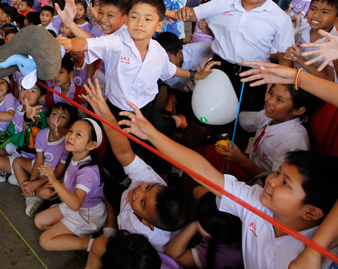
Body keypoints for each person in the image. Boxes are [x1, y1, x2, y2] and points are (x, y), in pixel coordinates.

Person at [119, 102, 338, 269]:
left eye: (285, 183)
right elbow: (204, 172)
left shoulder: (320, 253)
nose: (270, 180)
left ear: (311, 212)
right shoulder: (257, 201)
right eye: (279, 173)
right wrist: (152, 135)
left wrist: (313, 253)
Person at [60, 0, 217, 175]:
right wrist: (71, 41)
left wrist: (195, 74)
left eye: (148, 19)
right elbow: (88, 43)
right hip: (118, 112)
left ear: (159, 25)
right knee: (117, 160)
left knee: (161, 158)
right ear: (127, 19)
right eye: (134, 17)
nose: (140, 23)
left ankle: (170, 139)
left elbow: (170, 69)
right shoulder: (116, 41)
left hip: (147, 111)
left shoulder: (157, 51)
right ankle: (119, 184)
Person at [80, 78, 190, 267]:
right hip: (120, 211)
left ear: (147, 223)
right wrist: (107, 115)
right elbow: (124, 152)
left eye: (143, 202)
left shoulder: (145, 244)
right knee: (108, 183)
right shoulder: (148, 181)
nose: (138, 191)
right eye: (148, 187)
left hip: (122, 233)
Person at [175, 0, 294, 113]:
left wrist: (278, 90)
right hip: (219, 67)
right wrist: (178, 12)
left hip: (254, 77)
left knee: (243, 126)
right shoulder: (224, 4)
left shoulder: (280, 19)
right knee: (203, 121)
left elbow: (285, 61)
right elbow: (190, 14)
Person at [211, 84, 313, 182]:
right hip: (251, 166)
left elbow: (276, 180)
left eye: (280, 100)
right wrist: (217, 112)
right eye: (271, 93)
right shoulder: (269, 116)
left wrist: (240, 159)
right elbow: (240, 119)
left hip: (262, 182)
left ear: (298, 111)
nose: (269, 101)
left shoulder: (293, 139)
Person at [34, 118, 107, 252]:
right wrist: (61, 185)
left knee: (45, 241)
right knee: (39, 221)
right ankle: (74, 234)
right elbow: (70, 181)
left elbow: (76, 204)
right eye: (71, 131)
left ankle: (93, 244)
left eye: (78, 134)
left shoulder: (88, 171)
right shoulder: (74, 156)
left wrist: (55, 183)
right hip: (73, 206)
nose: (71, 136)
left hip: (88, 214)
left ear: (91, 145)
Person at [11, 102, 78, 217]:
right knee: (17, 162)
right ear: (47, 119)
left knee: (45, 193)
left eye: (63, 117)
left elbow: (58, 173)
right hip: (41, 167)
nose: (56, 118)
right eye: (54, 114)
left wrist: (37, 183)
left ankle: (27, 188)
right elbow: (38, 161)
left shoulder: (66, 143)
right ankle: (30, 194)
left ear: (69, 126)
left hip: (52, 176)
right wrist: (32, 182)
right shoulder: (42, 134)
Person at [0, 82, 47, 183]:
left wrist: (27, 118)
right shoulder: (19, 109)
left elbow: (31, 140)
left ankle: (6, 171)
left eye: (33, 91)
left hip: (30, 158)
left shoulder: (38, 114)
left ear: (41, 98)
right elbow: (9, 132)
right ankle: (11, 170)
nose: (27, 93)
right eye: (24, 89)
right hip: (17, 150)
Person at [164, 191, 244, 269]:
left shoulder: (223, 256)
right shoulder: (244, 216)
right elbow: (196, 190)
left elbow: (171, 255)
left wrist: (194, 226)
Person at [284, 0, 338, 82]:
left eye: (324, 12)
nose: (316, 15)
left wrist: (299, 58)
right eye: (313, 9)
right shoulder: (301, 30)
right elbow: (286, 52)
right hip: (292, 83)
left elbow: (330, 78)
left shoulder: (334, 43)